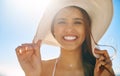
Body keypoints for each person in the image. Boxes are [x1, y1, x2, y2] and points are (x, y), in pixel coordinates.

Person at [15, 0, 115, 76]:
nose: (69, 29)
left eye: (77, 22)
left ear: (86, 29)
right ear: (53, 29)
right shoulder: (41, 69)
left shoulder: (101, 71)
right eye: (61, 22)